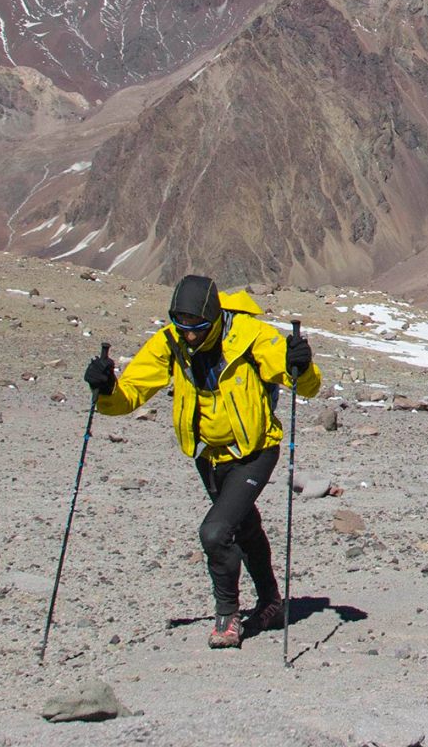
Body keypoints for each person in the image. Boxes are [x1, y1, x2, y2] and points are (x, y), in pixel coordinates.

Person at [82, 274, 321, 649]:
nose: (189, 336)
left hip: (255, 452)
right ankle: (273, 602)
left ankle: (227, 616)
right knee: (244, 528)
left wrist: (302, 367)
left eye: (198, 328)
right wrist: (106, 390)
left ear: (214, 318)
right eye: (182, 326)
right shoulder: (171, 341)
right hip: (209, 457)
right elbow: (130, 395)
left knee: (214, 532)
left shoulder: (251, 336)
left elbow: (301, 381)